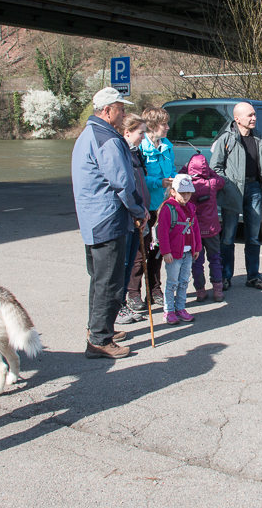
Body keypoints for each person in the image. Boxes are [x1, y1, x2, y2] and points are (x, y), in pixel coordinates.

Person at [72, 87, 148, 359]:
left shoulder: (89, 134)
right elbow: (123, 183)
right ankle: (99, 339)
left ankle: (98, 329)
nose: (124, 113)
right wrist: (140, 210)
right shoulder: (108, 139)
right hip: (108, 219)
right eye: (121, 108)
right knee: (110, 281)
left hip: (93, 219)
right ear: (107, 111)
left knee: (99, 279)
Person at [210, 102, 262, 290]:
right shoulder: (226, 139)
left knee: (253, 237)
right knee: (228, 237)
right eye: (249, 115)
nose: (253, 118)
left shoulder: (260, 137)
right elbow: (215, 168)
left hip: (253, 189)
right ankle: (226, 277)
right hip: (233, 191)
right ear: (237, 119)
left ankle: (254, 276)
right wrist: (228, 186)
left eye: (254, 114)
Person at [126, 107, 176, 310]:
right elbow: (138, 178)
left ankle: (155, 290)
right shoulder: (140, 147)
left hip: (162, 206)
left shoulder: (167, 145)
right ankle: (133, 293)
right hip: (145, 206)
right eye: (164, 124)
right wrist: (159, 182)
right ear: (153, 126)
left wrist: (173, 180)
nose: (167, 127)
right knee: (140, 252)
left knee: (157, 250)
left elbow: (171, 168)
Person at [116, 113, 151, 326]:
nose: (144, 136)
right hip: (128, 216)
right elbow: (125, 187)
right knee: (125, 263)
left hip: (139, 212)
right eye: (141, 132)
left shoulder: (136, 152)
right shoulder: (122, 153)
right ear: (127, 132)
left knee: (130, 262)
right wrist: (137, 210)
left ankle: (122, 303)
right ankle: (118, 304)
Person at [180, 153, 226, 302]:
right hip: (212, 229)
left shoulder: (187, 185)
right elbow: (221, 180)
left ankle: (200, 291)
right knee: (215, 259)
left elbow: (178, 177)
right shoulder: (212, 183)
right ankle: (218, 290)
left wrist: (186, 169)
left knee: (196, 261)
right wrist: (209, 172)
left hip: (194, 231)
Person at [157, 174, 202, 325]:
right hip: (174, 254)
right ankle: (169, 311)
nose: (186, 196)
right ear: (173, 192)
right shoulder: (167, 209)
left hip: (188, 252)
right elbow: (162, 232)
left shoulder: (191, 209)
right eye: (182, 193)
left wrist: (197, 248)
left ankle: (180, 308)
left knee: (184, 281)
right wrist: (166, 252)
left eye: (188, 193)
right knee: (172, 283)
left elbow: (195, 229)